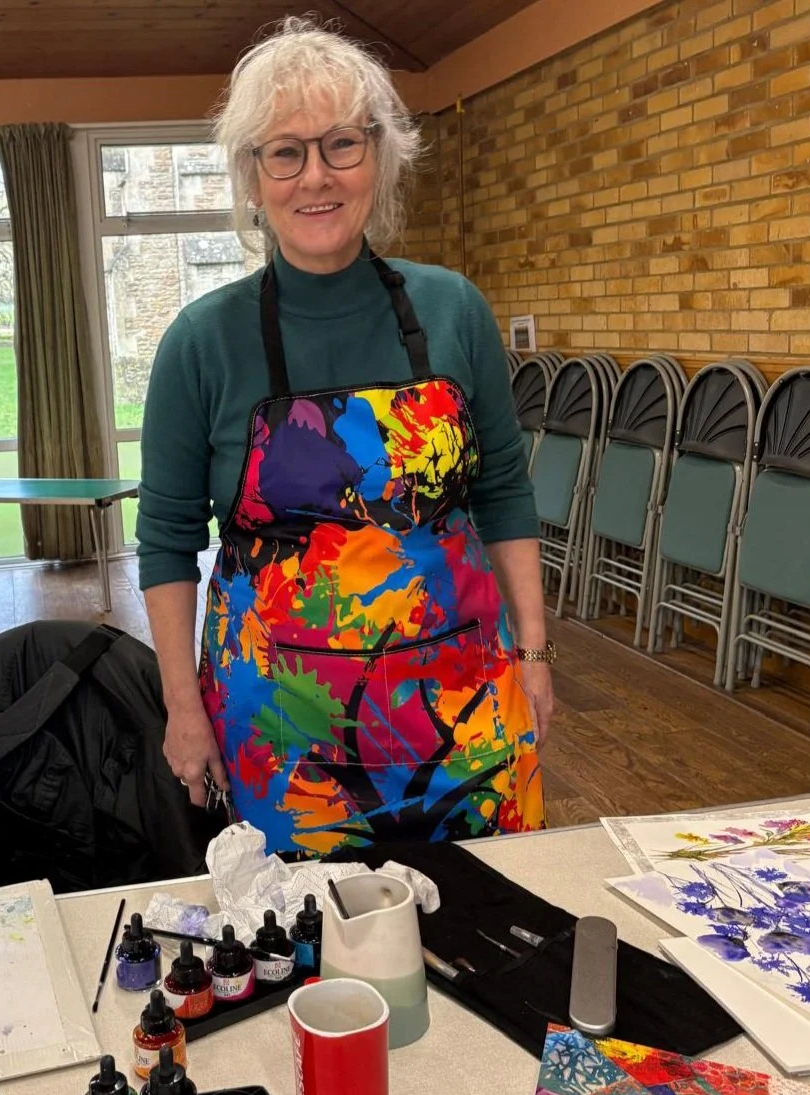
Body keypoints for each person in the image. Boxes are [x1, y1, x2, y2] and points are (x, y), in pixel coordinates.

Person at [137, 15, 554, 858]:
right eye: (284, 152)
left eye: (341, 145)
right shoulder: (202, 341)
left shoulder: (453, 310)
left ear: (383, 157)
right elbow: (166, 541)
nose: (314, 176)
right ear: (253, 178)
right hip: (286, 736)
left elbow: (504, 491)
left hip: (465, 711)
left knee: (493, 941)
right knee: (311, 957)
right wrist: (184, 708)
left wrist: (535, 653)